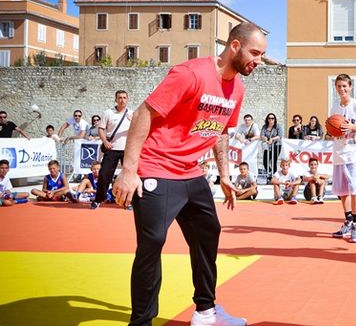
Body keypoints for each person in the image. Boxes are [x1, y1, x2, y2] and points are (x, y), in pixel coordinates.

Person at [112, 21, 266, 326]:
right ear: (235, 46)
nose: (258, 60)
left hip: (191, 173)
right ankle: (141, 322)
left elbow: (220, 131)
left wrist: (224, 175)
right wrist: (129, 170)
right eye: (255, 52)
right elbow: (144, 112)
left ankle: (205, 312)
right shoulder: (190, 74)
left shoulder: (238, 88)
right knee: (152, 242)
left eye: (261, 55)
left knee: (209, 233)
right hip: (156, 166)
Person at [328, 74, 356, 242]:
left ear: (350, 86)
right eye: (339, 86)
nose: (342, 89)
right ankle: (348, 221)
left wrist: (352, 126)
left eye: (345, 86)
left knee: (355, 190)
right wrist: (332, 132)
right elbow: (333, 129)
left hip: (354, 153)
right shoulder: (334, 108)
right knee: (342, 191)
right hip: (339, 152)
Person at [93, 90, 133, 210]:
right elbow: (100, 129)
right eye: (120, 98)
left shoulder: (132, 113)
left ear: (127, 99)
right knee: (104, 175)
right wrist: (105, 142)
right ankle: (98, 199)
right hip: (112, 149)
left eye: (124, 98)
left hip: (127, 150)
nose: (122, 100)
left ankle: (128, 202)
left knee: (129, 176)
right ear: (115, 99)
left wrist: (133, 122)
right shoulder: (108, 113)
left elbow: (138, 129)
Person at [260, 113, 283, 180]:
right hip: (267, 146)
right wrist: (266, 139)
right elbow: (262, 135)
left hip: (276, 145)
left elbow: (280, 136)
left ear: (275, 119)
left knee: (273, 161)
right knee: (265, 161)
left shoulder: (278, 126)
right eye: (269, 118)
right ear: (267, 119)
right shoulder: (264, 126)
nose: (271, 120)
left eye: (272, 118)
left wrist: (272, 139)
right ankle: (269, 172)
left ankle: (274, 176)